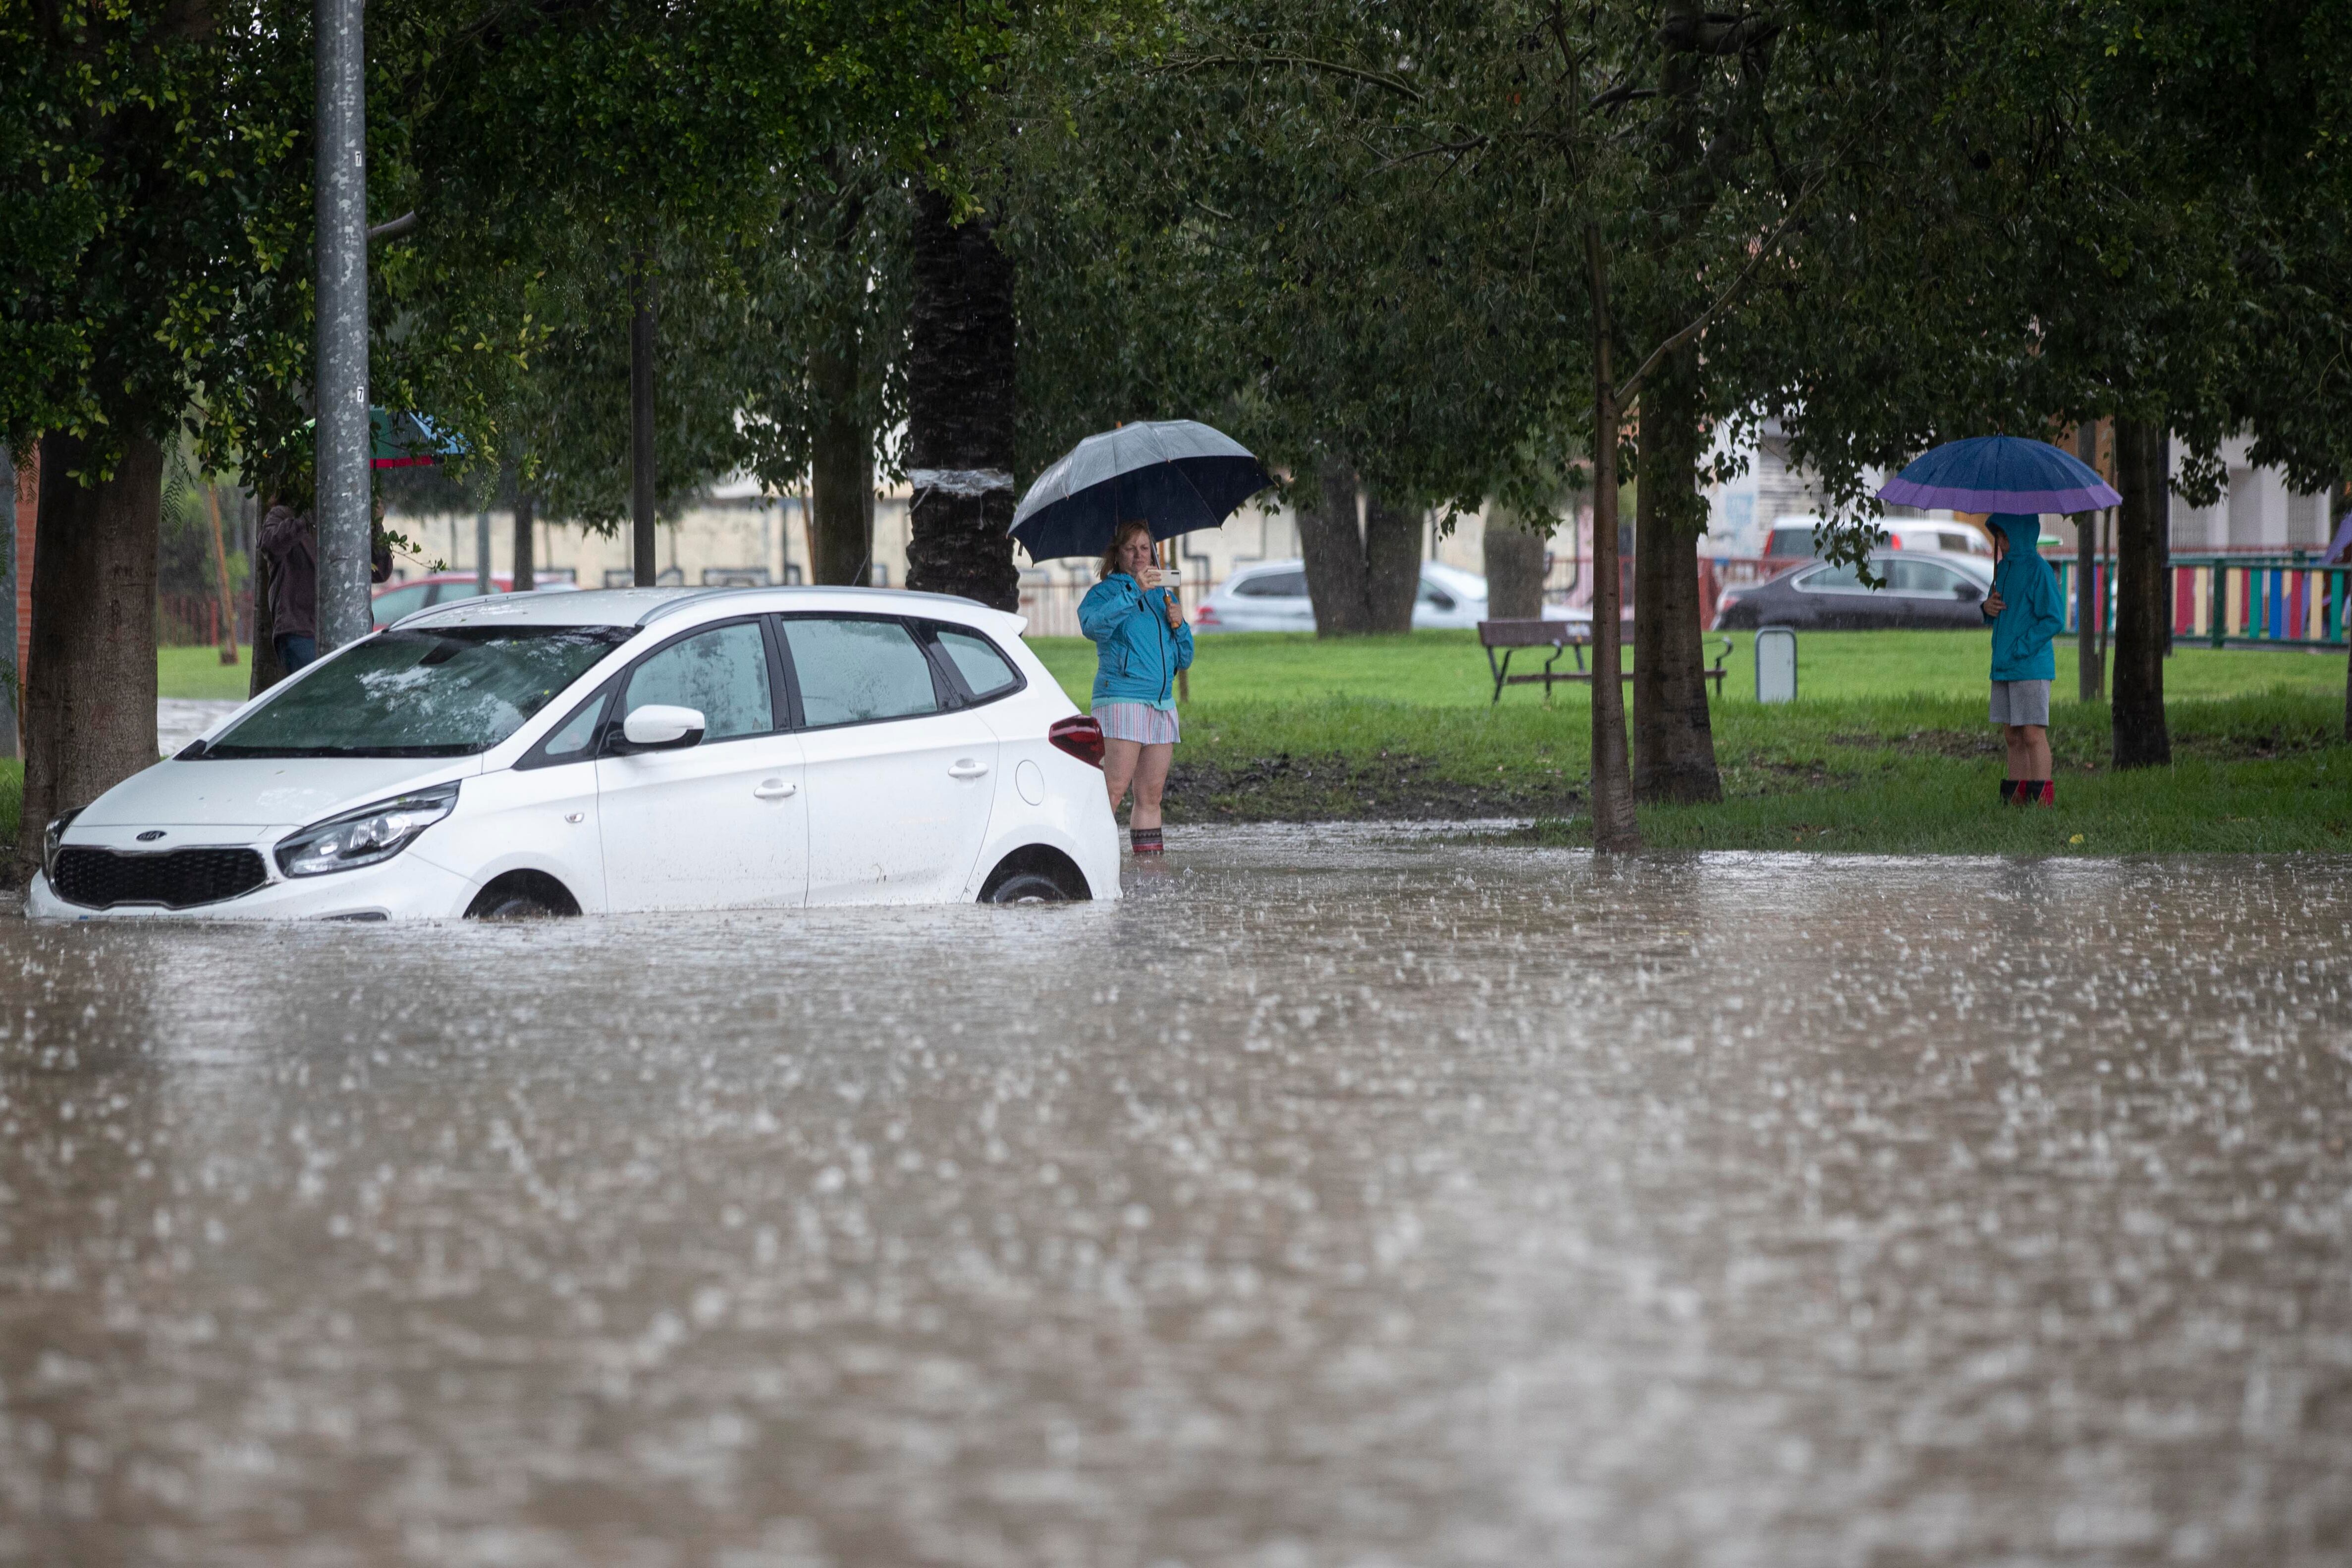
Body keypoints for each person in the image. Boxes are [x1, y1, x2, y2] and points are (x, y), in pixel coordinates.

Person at [1079, 520, 1193, 855]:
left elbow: (1184, 659)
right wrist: (1134, 591)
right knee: (1113, 788)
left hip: (1161, 704)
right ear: (1117, 554)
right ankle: (1084, 857)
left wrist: (1180, 623)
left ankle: (1149, 873)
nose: (1139, 555)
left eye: (1145, 547)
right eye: (1131, 548)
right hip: (1121, 700)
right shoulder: (1105, 593)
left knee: (1151, 795)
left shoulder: (1164, 595)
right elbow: (1092, 626)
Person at [1981, 511, 2064, 806]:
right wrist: (1987, 608)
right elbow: (1999, 613)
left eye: (2005, 535)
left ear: (2020, 535)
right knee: (2012, 735)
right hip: (2003, 666)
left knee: (2032, 734)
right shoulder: (2002, 571)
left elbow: (2054, 619)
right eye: (1999, 536)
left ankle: (2041, 800)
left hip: (2030, 665)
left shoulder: (2039, 571)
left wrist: (2021, 646)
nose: (2001, 542)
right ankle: (2016, 799)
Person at [257, 498, 318, 673]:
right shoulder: (281, 515)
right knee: (313, 693)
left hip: (338, 633)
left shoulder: (345, 520)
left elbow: (380, 571)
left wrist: (376, 526)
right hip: (300, 630)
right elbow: (269, 545)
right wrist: (303, 522)